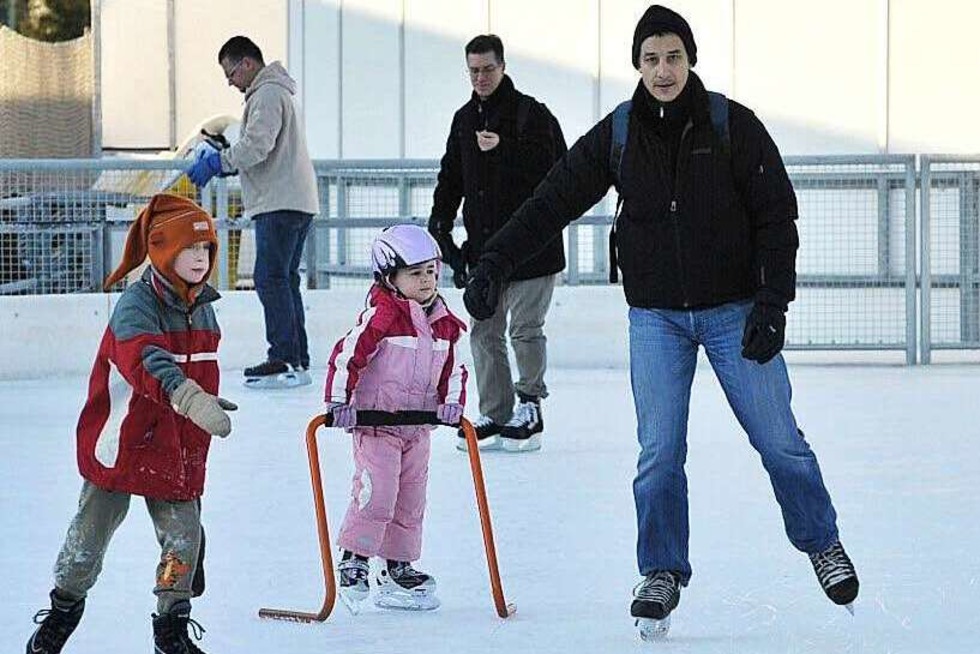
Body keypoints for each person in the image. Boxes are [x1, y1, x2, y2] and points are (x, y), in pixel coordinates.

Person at [462, 4, 859, 635]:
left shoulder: (733, 124)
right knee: (659, 452)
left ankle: (821, 543)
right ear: (637, 66)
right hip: (656, 320)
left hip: (734, 313)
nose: (663, 69)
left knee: (779, 439)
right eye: (651, 58)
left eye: (673, 56)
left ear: (690, 59)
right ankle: (662, 571)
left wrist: (770, 304)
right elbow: (553, 198)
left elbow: (775, 215)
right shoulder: (619, 134)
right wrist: (494, 262)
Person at [24, 194, 235, 654]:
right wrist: (188, 396)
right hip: (121, 441)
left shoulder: (204, 306)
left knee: (184, 537)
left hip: (176, 444)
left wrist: (200, 396)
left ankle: (172, 629)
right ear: (162, 251)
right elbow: (148, 361)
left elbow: (194, 366)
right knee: (90, 536)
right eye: (190, 249)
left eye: (207, 250)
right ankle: (62, 611)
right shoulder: (135, 306)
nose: (201, 259)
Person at [428, 34, 566, 453]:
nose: (481, 77)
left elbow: (561, 172)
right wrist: (441, 221)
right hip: (485, 249)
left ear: (503, 66)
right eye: (473, 71)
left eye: (488, 69)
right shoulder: (464, 119)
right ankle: (496, 410)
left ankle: (530, 404)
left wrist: (505, 150)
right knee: (483, 329)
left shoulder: (531, 115)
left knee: (525, 328)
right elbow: (451, 176)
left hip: (532, 248)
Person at [323, 224, 467, 613]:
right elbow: (346, 356)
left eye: (431, 272)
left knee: (410, 500)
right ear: (390, 277)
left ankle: (398, 567)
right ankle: (355, 556)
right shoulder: (382, 317)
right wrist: (339, 402)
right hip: (376, 425)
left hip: (417, 428)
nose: (426, 281)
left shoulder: (443, 323)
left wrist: (452, 403)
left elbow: (453, 369)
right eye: (415, 273)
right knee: (377, 492)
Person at [188, 35, 319, 389]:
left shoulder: (267, 94)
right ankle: (295, 357)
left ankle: (283, 357)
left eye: (231, 72)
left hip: (280, 201)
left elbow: (258, 146)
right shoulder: (275, 93)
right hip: (292, 199)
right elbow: (262, 143)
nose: (230, 81)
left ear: (247, 63)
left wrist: (220, 162)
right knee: (284, 279)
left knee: (270, 279)